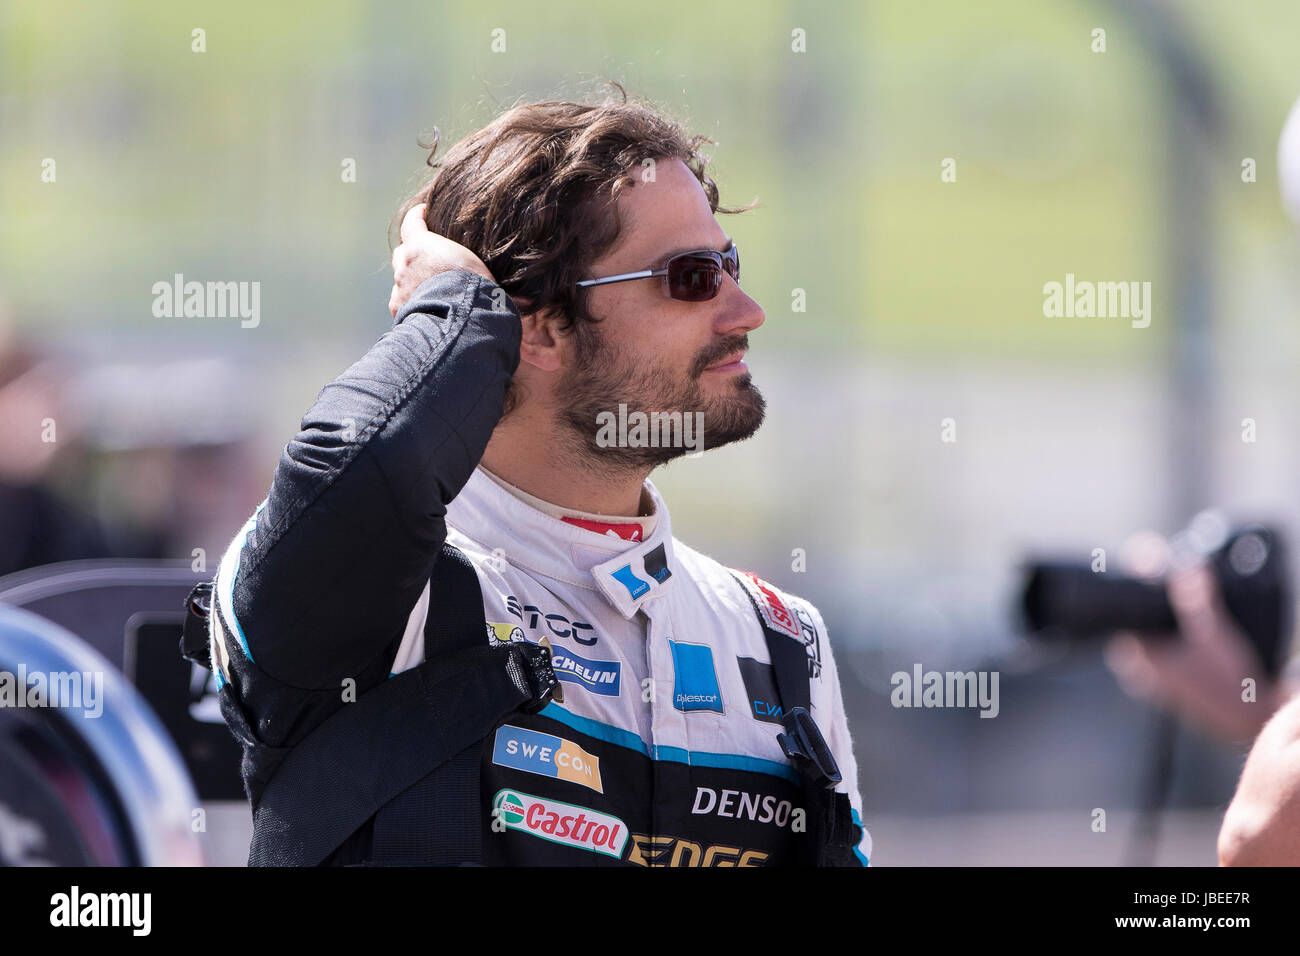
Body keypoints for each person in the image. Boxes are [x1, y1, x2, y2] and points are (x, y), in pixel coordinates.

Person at [206, 88, 871, 866]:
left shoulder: (780, 637)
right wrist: (455, 311)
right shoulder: (399, 596)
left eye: (730, 264)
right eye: (691, 277)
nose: (745, 310)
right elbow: (360, 470)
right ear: (541, 329)